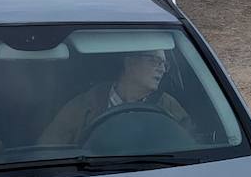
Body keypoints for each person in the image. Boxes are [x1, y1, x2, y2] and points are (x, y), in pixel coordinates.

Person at [40, 46, 195, 145]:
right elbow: (48, 149)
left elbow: (190, 146)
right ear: (129, 63)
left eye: (164, 64)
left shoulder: (169, 106)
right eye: (154, 61)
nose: (162, 69)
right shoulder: (85, 104)